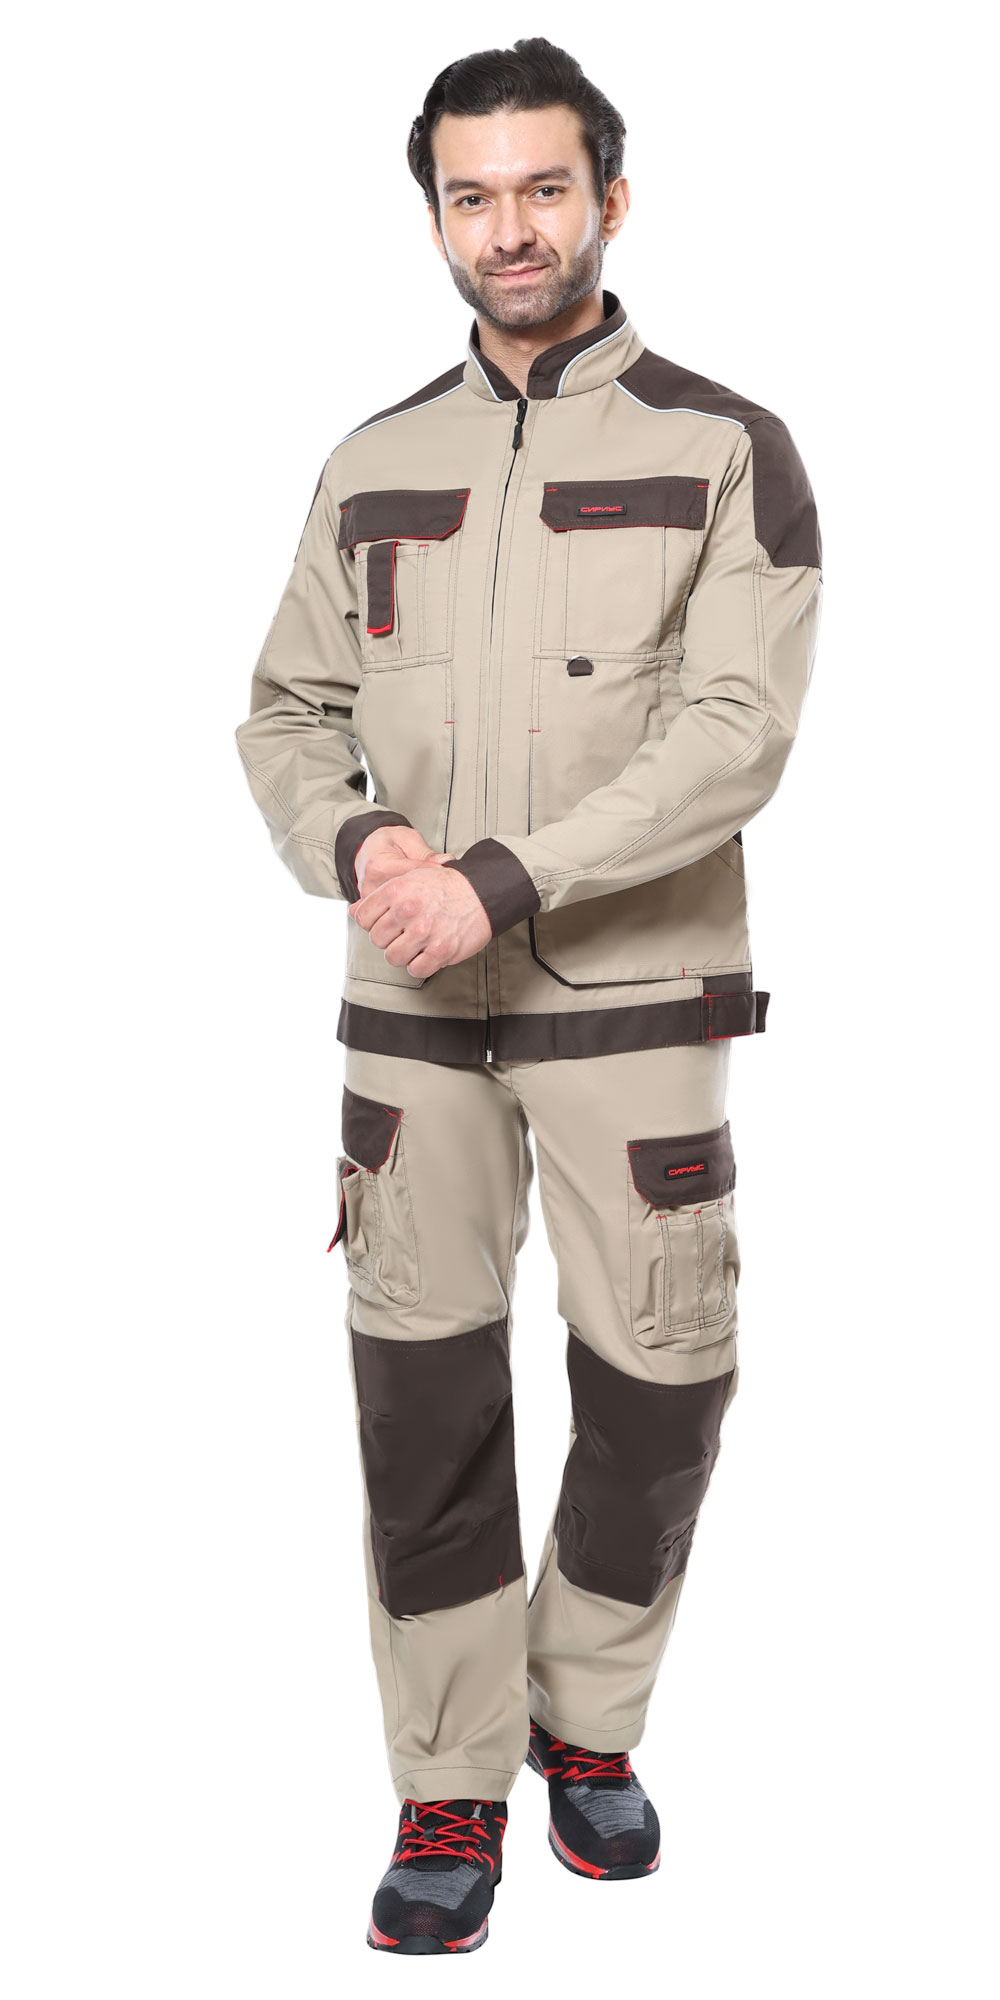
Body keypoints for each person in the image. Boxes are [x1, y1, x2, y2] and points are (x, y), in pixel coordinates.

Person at [236, 35, 823, 1957]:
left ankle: (589, 1720)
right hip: (409, 1019)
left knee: (661, 1379)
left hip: (631, 1006)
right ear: (436, 218)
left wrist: (498, 878)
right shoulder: (370, 461)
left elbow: (734, 737)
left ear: (611, 201)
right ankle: (451, 1773)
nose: (511, 227)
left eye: (544, 189)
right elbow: (286, 712)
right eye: (472, 195)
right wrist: (361, 847)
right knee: (421, 1401)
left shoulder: (726, 449)